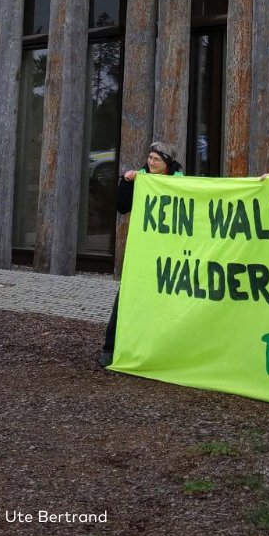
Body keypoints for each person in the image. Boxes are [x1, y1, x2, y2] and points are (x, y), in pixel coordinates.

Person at [98, 139, 184, 368]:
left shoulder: (182, 182)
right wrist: (126, 183)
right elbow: (122, 206)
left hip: (169, 252)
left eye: (156, 159)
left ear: (167, 162)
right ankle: (110, 348)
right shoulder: (140, 179)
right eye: (149, 158)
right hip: (143, 251)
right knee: (126, 298)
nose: (150, 162)